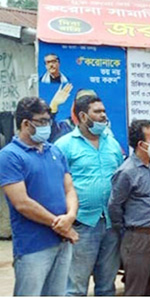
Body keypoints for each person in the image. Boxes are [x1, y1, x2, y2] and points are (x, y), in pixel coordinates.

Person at [0, 96, 79, 296]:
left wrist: (69, 218)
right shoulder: (10, 156)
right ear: (26, 123)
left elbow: (69, 189)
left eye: (48, 121)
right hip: (33, 246)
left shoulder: (55, 151)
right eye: (42, 122)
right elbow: (22, 203)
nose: (47, 126)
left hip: (62, 242)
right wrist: (59, 225)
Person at [55, 94, 124, 296]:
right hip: (82, 224)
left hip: (111, 224)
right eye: (98, 112)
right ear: (84, 116)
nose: (104, 115)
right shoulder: (64, 145)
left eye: (104, 111)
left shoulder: (112, 144)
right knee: (75, 287)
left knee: (106, 286)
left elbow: (120, 179)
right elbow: (57, 185)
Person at [109, 120, 150, 296]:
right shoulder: (126, 172)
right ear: (141, 144)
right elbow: (115, 206)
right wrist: (128, 230)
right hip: (138, 239)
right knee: (136, 290)